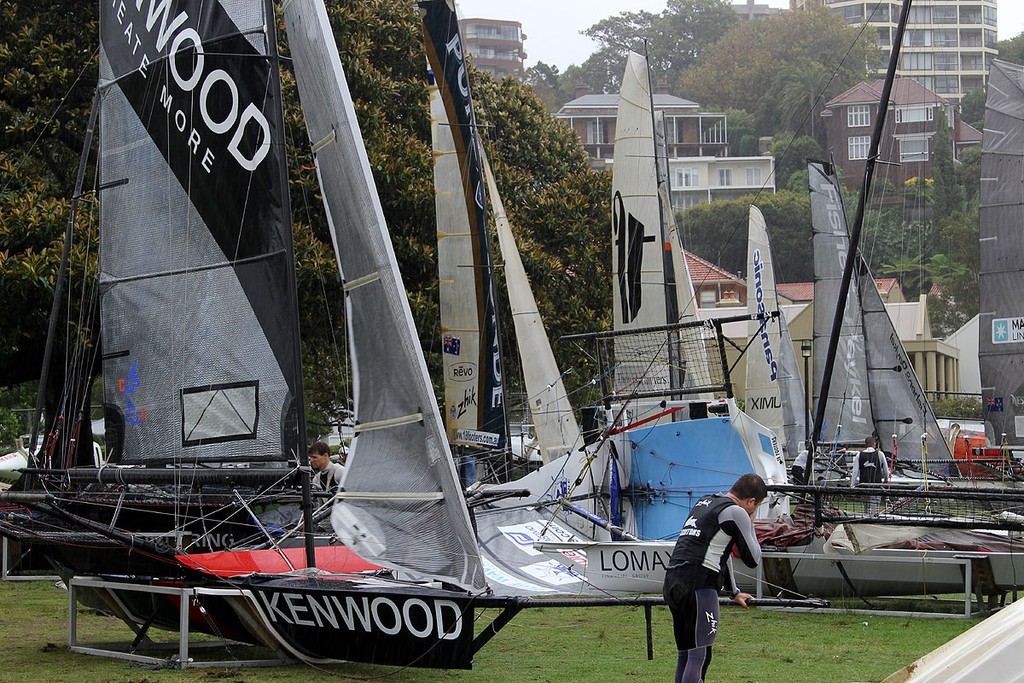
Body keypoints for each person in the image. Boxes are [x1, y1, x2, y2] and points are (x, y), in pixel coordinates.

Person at [662, 473, 766, 683]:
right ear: (751, 501)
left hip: (673, 581)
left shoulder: (705, 501)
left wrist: (734, 592)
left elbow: (721, 553)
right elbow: (753, 558)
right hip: (699, 586)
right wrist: (750, 520)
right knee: (700, 657)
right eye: (757, 507)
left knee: (686, 654)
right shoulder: (736, 512)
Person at [851, 435, 890, 513]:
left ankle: (866, 520)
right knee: (875, 507)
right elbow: (886, 471)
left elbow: (855, 471)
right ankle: (873, 519)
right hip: (876, 486)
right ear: (874, 444)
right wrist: (886, 480)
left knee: (866, 506)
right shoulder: (880, 454)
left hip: (863, 485)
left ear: (865, 444)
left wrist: (852, 485)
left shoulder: (859, 455)